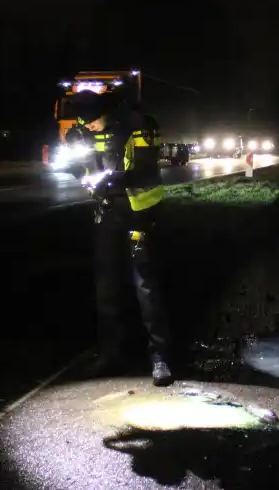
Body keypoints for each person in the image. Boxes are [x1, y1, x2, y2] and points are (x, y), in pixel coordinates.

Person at [76, 91, 173, 386]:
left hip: (138, 213)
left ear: (105, 113)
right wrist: (83, 175)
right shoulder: (85, 133)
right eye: (83, 121)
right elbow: (82, 165)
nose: (88, 125)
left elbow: (145, 169)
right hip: (107, 213)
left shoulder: (137, 127)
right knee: (106, 287)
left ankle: (160, 358)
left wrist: (115, 180)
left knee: (145, 285)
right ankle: (111, 354)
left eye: (91, 120)